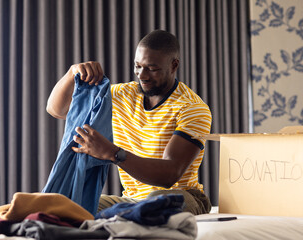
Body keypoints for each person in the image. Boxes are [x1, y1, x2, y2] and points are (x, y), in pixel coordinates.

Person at [46, 30, 212, 215]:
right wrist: (72, 73)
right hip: (131, 200)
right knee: (65, 206)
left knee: (156, 202)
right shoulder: (121, 95)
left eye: (152, 68)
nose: (142, 75)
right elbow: (56, 110)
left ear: (174, 65)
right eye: (138, 66)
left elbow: (169, 175)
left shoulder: (192, 108)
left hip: (182, 197)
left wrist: (111, 152)